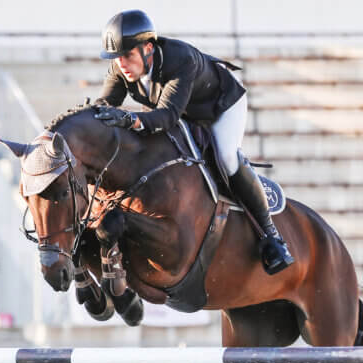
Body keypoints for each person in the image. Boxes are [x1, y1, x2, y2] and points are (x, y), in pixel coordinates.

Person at [92, 9, 294, 275]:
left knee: (226, 157)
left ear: (148, 48)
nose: (122, 64)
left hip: (220, 107)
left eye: (128, 55)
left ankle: (272, 236)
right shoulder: (121, 69)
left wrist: (129, 119)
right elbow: (104, 105)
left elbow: (166, 116)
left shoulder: (180, 60)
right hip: (184, 112)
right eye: (116, 58)